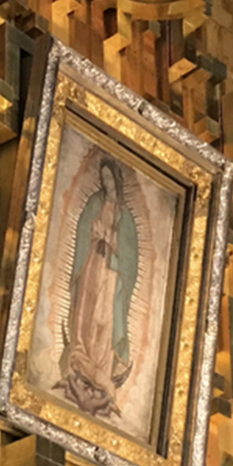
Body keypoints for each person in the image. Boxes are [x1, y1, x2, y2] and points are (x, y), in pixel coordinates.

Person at [55, 156, 139, 419]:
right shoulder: (94, 203)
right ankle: (80, 357)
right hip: (92, 265)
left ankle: (101, 366)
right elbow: (83, 230)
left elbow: (130, 255)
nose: (105, 183)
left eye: (108, 178)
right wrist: (94, 233)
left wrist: (112, 239)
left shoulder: (125, 217)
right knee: (86, 313)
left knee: (105, 317)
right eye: (102, 179)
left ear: (117, 180)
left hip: (111, 271)